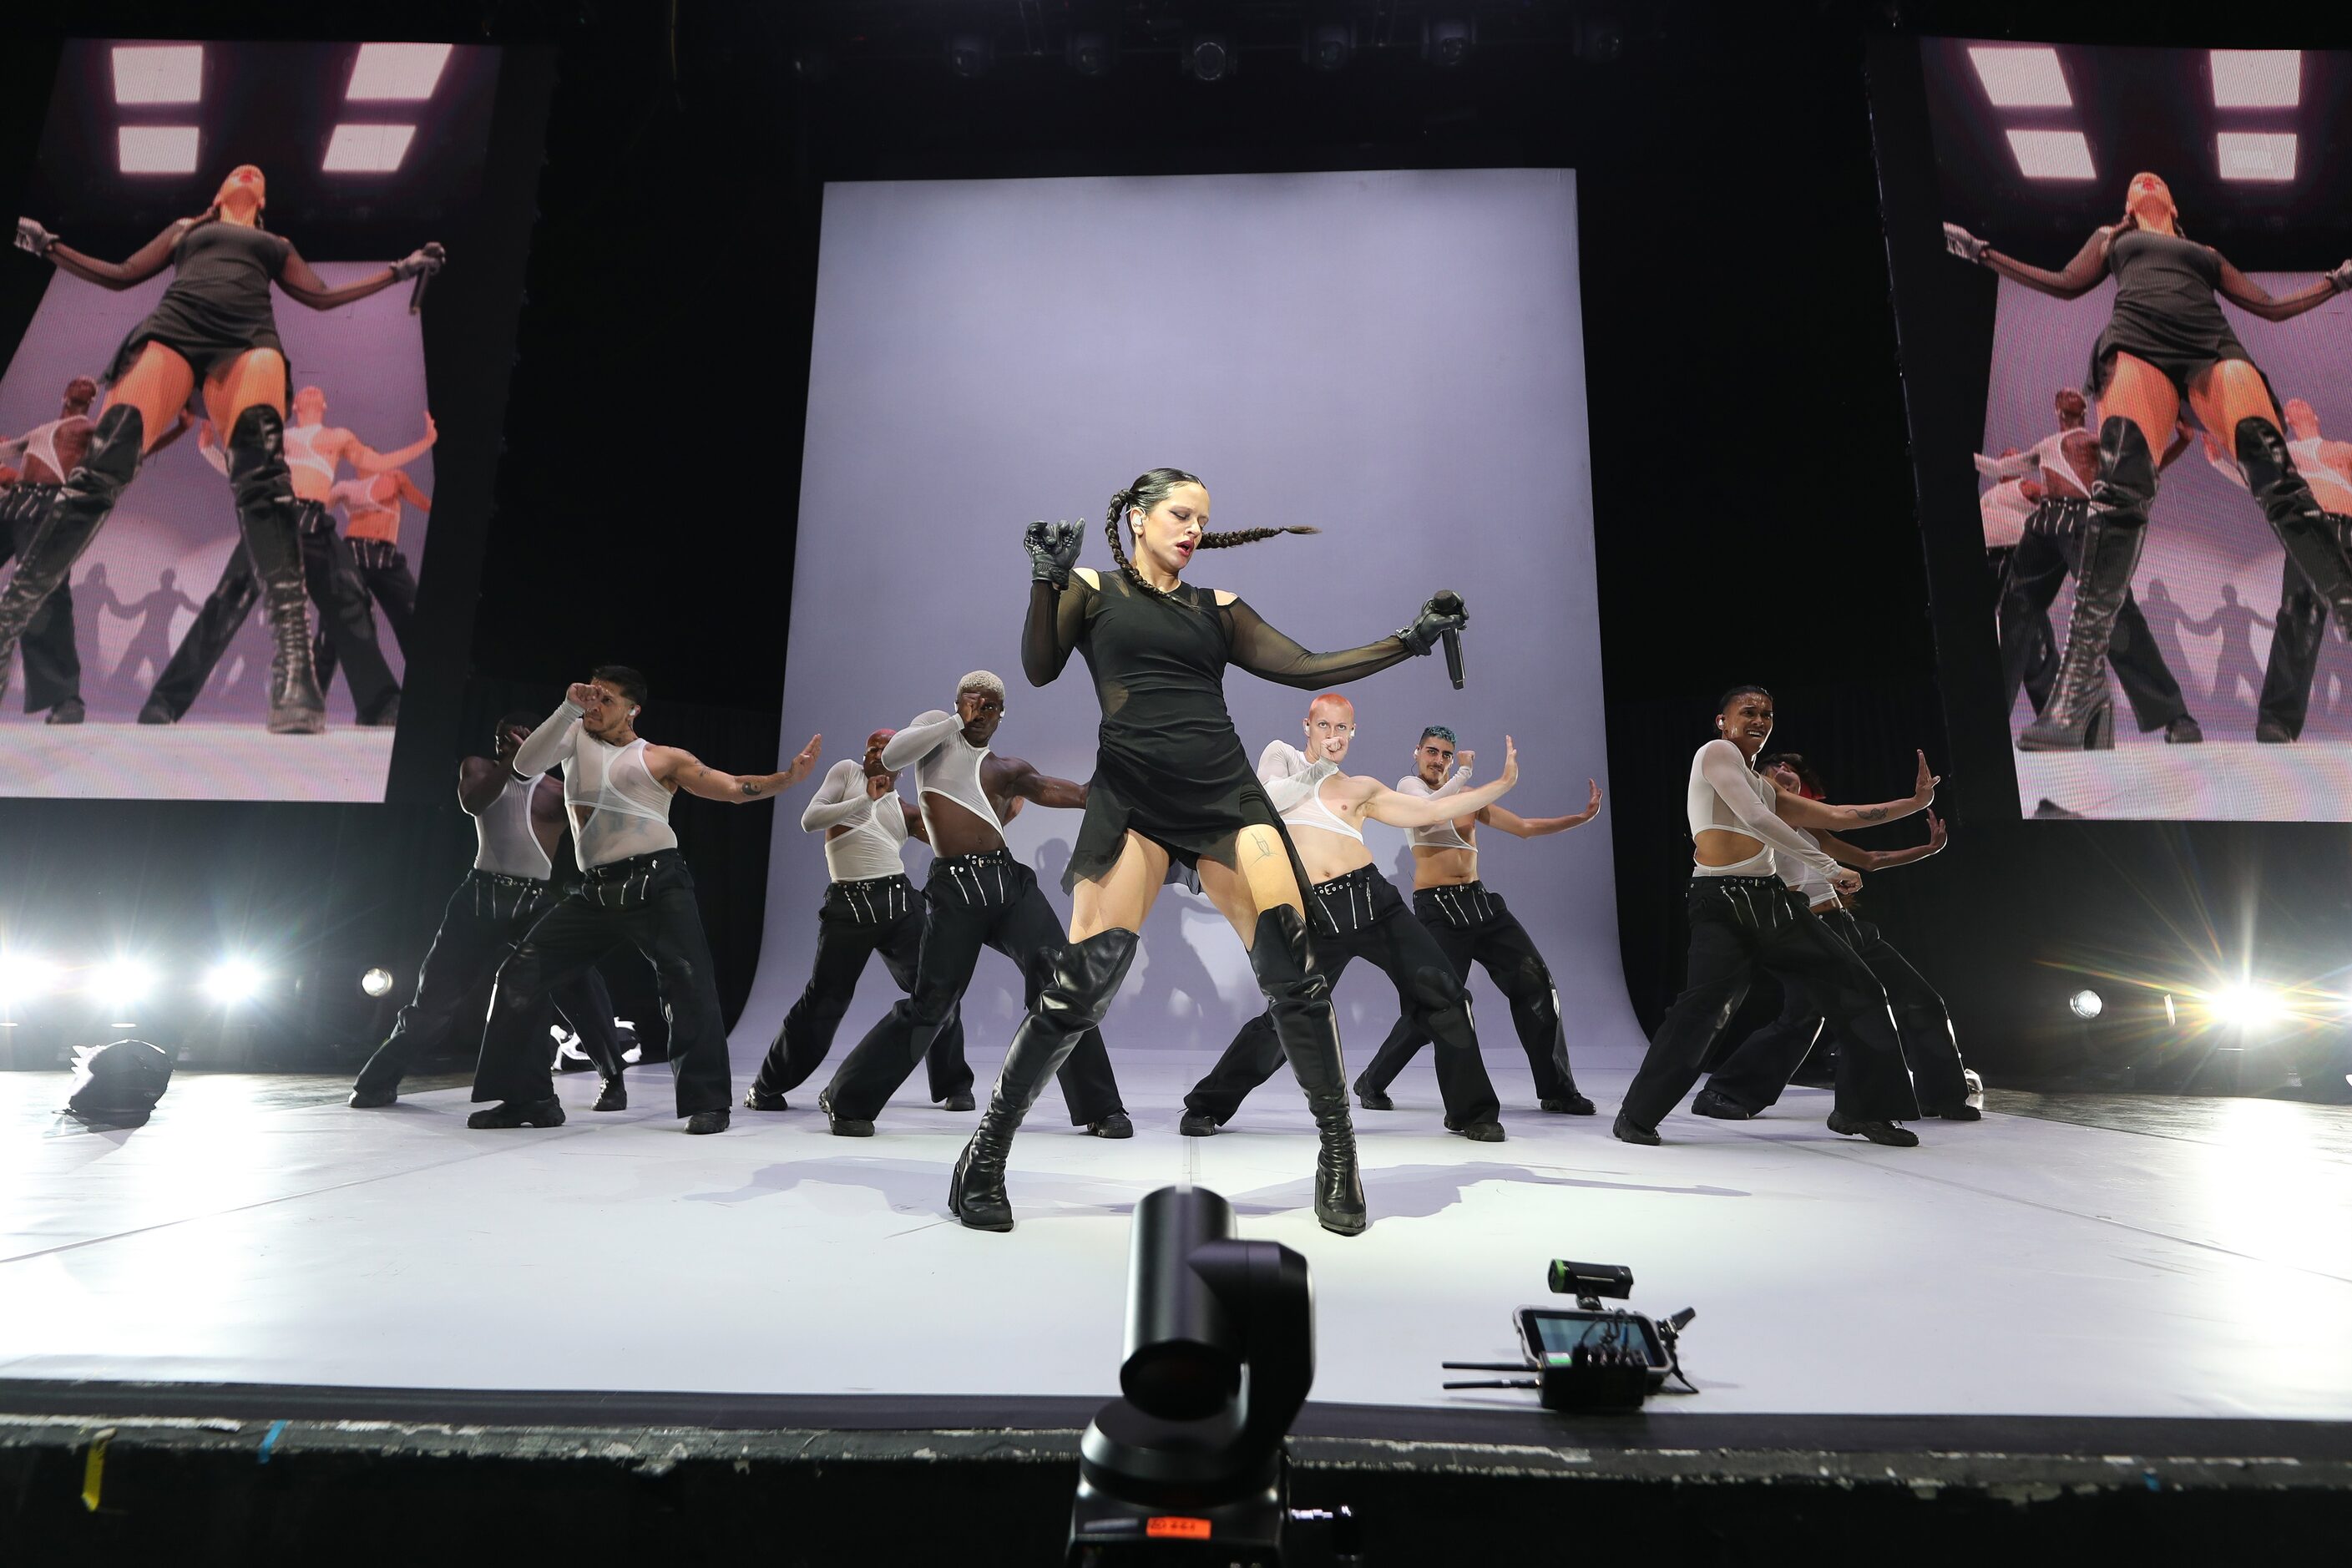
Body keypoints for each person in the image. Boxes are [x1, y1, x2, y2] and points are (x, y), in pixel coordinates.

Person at [948, 466, 1469, 1237]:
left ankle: (1337, 1154)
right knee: (1082, 987)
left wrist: (1412, 639)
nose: (1194, 531)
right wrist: (1044, 579)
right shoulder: (1090, 590)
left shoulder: (1215, 608)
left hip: (1224, 797)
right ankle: (984, 1156)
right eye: (1180, 515)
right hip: (1134, 799)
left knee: (1295, 971)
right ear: (1136, 517)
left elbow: (1308, 668)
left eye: (1201, 519)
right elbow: (1038, 666)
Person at [6, 166, 443, 731]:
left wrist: (400, 271)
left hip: (248, 338)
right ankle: (6, 623)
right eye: (241, 172)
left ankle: (294, 671)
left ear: (263, 201)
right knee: (102, 469)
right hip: (174, 328)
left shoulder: (274, 243)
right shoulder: (187, 227)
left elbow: (324, 297)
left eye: (262, 176)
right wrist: (49, 246)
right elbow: (120, 276)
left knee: (264, 479)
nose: (251, 170)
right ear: (218, 193)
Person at [1945, 175, 2352, 750]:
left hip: (2211, 342)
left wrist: (2336, 282)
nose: (2143, 177)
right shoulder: (2111, 236)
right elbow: (2064, 284)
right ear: (2128, 204)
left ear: (2172, 201)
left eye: (2154, 179)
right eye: (2135, 181)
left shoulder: (2203, 252)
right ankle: (2078, 692)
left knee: (2280, 486)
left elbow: (2270, 308)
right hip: (2136, 339)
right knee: (2119, 497)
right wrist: (1981, 252)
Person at [466, 667, 821, 1133]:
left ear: (633, 710)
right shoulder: (573, 735)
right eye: (590, 697)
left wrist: (788, 779)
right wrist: (570, 704)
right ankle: (528, 1099)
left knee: (689, 983)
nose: (594, 707)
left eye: (605, 700)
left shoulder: (662, 758)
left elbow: (734, 789)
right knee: (519, 974)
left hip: (657, 883)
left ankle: (708, 1101)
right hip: (595, 891)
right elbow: (524, 767)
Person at [1177, 694, 1521, 1141]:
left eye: (1342, 729)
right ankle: (1207, 1104)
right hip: (1316, 911)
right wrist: (1320, 765)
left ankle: (1472, 1113)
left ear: (1353, 733)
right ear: (1308, 726)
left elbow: (1430, 810)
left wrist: (1500, 784)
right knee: (1286, 1018)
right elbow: (1268, 798)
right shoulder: (1281, 757)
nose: (1333, 736)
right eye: (1325, 727)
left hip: (1374, 901)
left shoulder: (1362, 787)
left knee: (1447, 995)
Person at [1616, 685, 1930, 1146]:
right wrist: (1828, 866)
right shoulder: (1716, 752)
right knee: (1703, 1012)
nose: (1760, 719)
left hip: (1772, 902)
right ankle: (1636, 1116)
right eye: (1749, 711)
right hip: (1720, 901)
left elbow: (1839, 815)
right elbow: (1756, 820)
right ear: (1722, 721)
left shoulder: (1761, 783)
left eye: (1767, 713)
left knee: (1859, 988)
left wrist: (1915, 803)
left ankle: (1864, 1110)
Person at [817, 674, 1128, 1137]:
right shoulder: (933, 737)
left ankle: (1101, 1108)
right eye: (972, 703)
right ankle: (847, 1099)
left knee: (1062, 982)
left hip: (1007, 884)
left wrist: (1111, 791)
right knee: (933, 1002)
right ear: (958, 703)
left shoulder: (1006, 769)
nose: (979, 713)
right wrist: (952, 720)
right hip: (954, 891)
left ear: (1001, 715)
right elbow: (892, 755)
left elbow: (1059, 791)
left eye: (990, 708)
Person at [348, 711, 631, 1110]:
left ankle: (613, 1080)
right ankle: (375, 1082)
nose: (506, 741)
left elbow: (598, 830)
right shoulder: (479, 768)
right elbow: (474, 802)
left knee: (582, 983)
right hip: (479, 898)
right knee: (434, 1001)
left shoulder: (557, 789)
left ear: (541, 740)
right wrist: (510, 763)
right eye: (501, 736)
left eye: (518, 736)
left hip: (534, 901)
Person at [1692, 752, 1975, 1121]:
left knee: (1921, 1000)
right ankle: (1724, 1091)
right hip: (1806, 930)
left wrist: (1927, 847)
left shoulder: (1809, 826)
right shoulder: (1751, 820)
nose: (1784, 773)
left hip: (1846, 925)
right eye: (1774, 769)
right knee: (1803, 1017)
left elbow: (1869, 858)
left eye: (1790, 770)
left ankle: (1942, 1096)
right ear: (1755, 782)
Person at [1348, 726, 1605, 1115]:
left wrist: (1580, 819)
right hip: (1439, 910)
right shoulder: (1408, 789)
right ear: (1417, 752)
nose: (1438, 761)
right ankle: (1373, 1080)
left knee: (1537, 985)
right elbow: (1432, 809)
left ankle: (1557, 1090)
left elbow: (1524, 829)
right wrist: (1471, 775)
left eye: (1446, 755)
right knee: (1438, 1006)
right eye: (1432, 752)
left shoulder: (1468, 797)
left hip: (1481, 904)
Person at [145, 389, 432, 725]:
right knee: (226, 603)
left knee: (351, 600)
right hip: (271, 520)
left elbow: (378, 463)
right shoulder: (280, 436)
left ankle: (380, 704)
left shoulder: (339, 437)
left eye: (318, 393)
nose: (312, 392)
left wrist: (427, 440)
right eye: (305, 392)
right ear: (295, 405)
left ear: (326, 405)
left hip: (315, 525)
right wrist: (210, 448)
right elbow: (243, 469)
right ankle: (165, 701)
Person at [742, 729, 969, 1111]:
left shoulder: (906, 810)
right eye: (871, 747)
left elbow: (954, 841)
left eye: (885, 749)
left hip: (898, 903)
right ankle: (767, 1086)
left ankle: (954, 1086)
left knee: (938, 989)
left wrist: (996, 812)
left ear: (900, 758)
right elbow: (809, 820)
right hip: (848, 908)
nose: (875, 753)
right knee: (823, 1001)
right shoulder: (847, 774)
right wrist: (865, 799)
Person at [1980, 387, 2200, 744]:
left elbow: (2145, 465)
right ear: (2056, 407)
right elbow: (1996, 466)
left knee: (2114, 615)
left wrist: (2181, 442)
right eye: (2063, 393)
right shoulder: (2046, 444)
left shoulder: (2095, 441)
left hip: (2084, 524)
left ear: (2083, 406)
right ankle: (1993, 721)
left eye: (2074, 392)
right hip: (2043, 527)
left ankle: (2174, 715)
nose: (2069, 392)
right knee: (2015, 616)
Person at [0, 377, 190, 722]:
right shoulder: (42, 428)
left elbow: (136, 449)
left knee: (45, 597)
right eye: (77, 383)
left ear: (94, 397)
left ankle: (66, 699)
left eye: (90, 385)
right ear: (65, 392)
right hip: (14, 503)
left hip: (48, 511)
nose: (85, 384)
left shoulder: (91, 428)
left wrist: (178, 429)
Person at [2199, 405, 2352, 741]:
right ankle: (2278, 721)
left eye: (2303, 405)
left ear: (2316, 415)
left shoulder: (2342, 449)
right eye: (2289, 407)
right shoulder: (2287, 453)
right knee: (2298, 619)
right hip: (2311, 532)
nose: (2295, 407)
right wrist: (2218, 460)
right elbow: (2255, 479)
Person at [312, 466, 429, 693]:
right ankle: (313, 696)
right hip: (353, 554)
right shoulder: (349, 487)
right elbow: (319, 505)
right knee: (335, 624)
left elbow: (423, 503)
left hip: (387, 558)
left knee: (414, 623)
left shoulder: (394, 478)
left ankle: (428, 696)